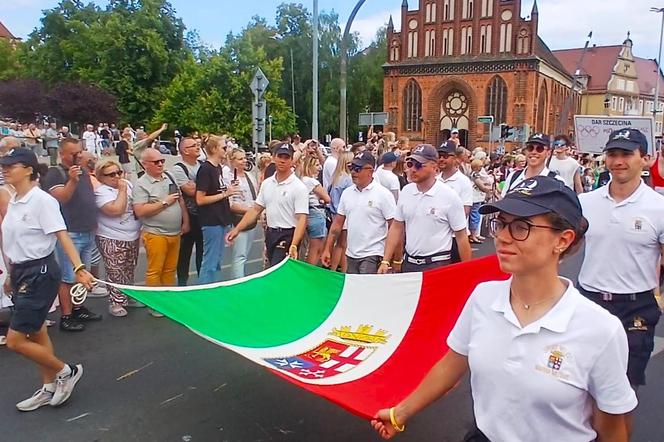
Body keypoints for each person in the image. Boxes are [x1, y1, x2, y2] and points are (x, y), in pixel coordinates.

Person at [372, 175, 637, 441]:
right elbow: (451, 364)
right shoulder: (483, 298)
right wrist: (400, 413)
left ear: (563, 240)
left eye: (521, 227)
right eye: (501, 224)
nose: (502, 238)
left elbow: (613, 426)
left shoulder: (600, 329)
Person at [1, 148, 95, 411]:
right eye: (4, 165)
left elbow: (62, 235)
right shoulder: (16, 201)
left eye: (12, 165)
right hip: (21, 271)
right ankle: (49, 386)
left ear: (29, 169)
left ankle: (66, 371)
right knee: (37, 331)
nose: (6, 169)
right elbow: (15, 242)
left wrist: (79, 268)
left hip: (39, 273)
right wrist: (10, 274)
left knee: (15, 341)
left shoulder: (42, 201)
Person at [578, 128, 664, 390]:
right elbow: (563, 247)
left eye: (626, 154)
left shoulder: (659, 207)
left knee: (624, 391)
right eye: (612, 154)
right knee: (580, 385)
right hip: (589, 302)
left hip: (635, 308)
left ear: (645, 159)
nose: (618, 161)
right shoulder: (585, 202)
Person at [379, 144, 471, 274]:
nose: (413, 170)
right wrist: (386, 260)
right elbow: (396, 227)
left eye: (419, 165)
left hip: (437, 264)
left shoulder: (449, 196)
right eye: (410, 164)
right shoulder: (406, 191)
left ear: (434, 167)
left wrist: (467, 271)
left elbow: (461, 236)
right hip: (410, 262)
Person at [43, 138, 102, 332]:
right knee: (68, 277)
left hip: (87, 230)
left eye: (79, 152)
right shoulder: (55, 173)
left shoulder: (83, 171)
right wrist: (72, 179)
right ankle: (67, 315)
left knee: (82, 275)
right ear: (62, 154)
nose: (78, 156)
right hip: (70, 233)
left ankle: (79, 307)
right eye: (73, 153)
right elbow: (62, 198)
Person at [227, 143, 308, 267]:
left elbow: (302, 218)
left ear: (292, 160)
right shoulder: (267, 183)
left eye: (286, 158)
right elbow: (255, 209)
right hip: (271, 234)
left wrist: (294, 244)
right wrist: (237, 229)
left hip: (287, 235)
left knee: (278, 270)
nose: (282, 161)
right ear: (274, 158)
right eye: (280, 156)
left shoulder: (298, 187)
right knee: (271, 267)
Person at [133, 148, 189, 316]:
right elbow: (140, 211)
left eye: (162, 161)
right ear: (145, 165)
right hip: (155, 233)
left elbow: (180, 200)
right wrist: (164, 203)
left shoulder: (169, 177)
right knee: (155, 270)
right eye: (156, 162)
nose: (160, 164)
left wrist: (185, 221)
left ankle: (167, 300)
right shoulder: (141, 184)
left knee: (170, 269)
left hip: (174, 232)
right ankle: (155, 304)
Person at [322, 152, 396, 274]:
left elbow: (394, 227)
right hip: (351, 254)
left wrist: (389, 259)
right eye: (351, 168)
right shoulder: (347, 193)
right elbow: (337, 224)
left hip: (373, 253)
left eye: (358, 169)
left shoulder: (383, 194)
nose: (353, 172)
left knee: (367, 291)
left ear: (370, 171)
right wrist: (327, 249)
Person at [94, 160, 142, 317]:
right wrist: (121, 190)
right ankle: (116, 302)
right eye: (111, 174)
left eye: (118, 172)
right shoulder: (101, 192)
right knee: (115, 270)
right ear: (101, 176)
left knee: (129, 268)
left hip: (132, 235)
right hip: (111, 236)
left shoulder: (128, 184)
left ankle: (129, 295)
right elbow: (116, 210)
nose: (116, 177)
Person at [195, 135, 238, 284]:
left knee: (217, 260)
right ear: (214, 149)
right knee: (210, 261)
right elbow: (200, 199)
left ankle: (212, 287)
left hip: (220, 218)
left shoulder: (218, 168)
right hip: (211, 220)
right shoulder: (206, 169)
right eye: (224, 148)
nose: (226, 151)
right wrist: (225, 194)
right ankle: (204, 292)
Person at [171, 137, 203, 286]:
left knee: (203, 252)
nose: (198, 147)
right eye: (193, 145)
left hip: (203, 215)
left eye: (198, 145)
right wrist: (204, 187)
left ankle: (202, 283)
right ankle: (182, 284)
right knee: (184, 253)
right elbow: (189, 190)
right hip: (188, 216)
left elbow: (213, 185)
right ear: (184, 150)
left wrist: (198, 186)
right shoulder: (179, 168)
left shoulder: (202, 165)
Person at [226, 147, 260, 277]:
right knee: (239, 256)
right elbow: (231, 204)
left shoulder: (249, 176)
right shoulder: (229, 177)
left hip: (251, 219)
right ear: (232, 160)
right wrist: (251, 210)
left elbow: (255, 196)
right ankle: (237, 283)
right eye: (240, 159)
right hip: (238, 219)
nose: (244, 161)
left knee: (245, 254)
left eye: (244, 158)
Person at [299, 155, 330, 266]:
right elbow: (327, 198)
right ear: (310, 166)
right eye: (317, 165)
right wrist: (322, 201)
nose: (319, 167)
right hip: (317, 214)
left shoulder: (300, 181)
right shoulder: (312, 182)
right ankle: (310, 273)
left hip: (306, 214)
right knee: (315, 250)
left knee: (304, 248)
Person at [436, 142, 473, 216]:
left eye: (445, 156)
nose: (441, 159)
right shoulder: (435, 180)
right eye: (439, 156)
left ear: (455, 158)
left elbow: (465, 211)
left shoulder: (464, 181)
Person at [469, 159, 492, 243]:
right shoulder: (475, 174)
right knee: (475, 217)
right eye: (480, 166)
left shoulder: (475, 174)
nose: (481, 168)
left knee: (476, 216)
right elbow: (480, 185)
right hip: (475, 198)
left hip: (477, 198)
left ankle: (474, 234)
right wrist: (487, 189)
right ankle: (473, 235)